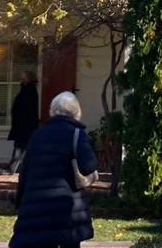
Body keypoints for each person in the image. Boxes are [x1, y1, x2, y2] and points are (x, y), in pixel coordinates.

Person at [9, 91, 97, 248]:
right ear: (76, 112)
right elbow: (88, 166)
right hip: (67, 211)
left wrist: (20, 202)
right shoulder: (76, 134)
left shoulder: (37, 135)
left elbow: (25, 172)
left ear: (52, 111)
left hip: (37, 208)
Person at [5, 70, 39, 174]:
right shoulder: (25, 89)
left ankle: (14, 167)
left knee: (20, 147)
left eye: (24, 78)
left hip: (25, 125)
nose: (21, 79)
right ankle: (15, 166)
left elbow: (28, 109)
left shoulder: (30, 90)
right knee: (20, 146)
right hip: (21, 124)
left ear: (29, 78)